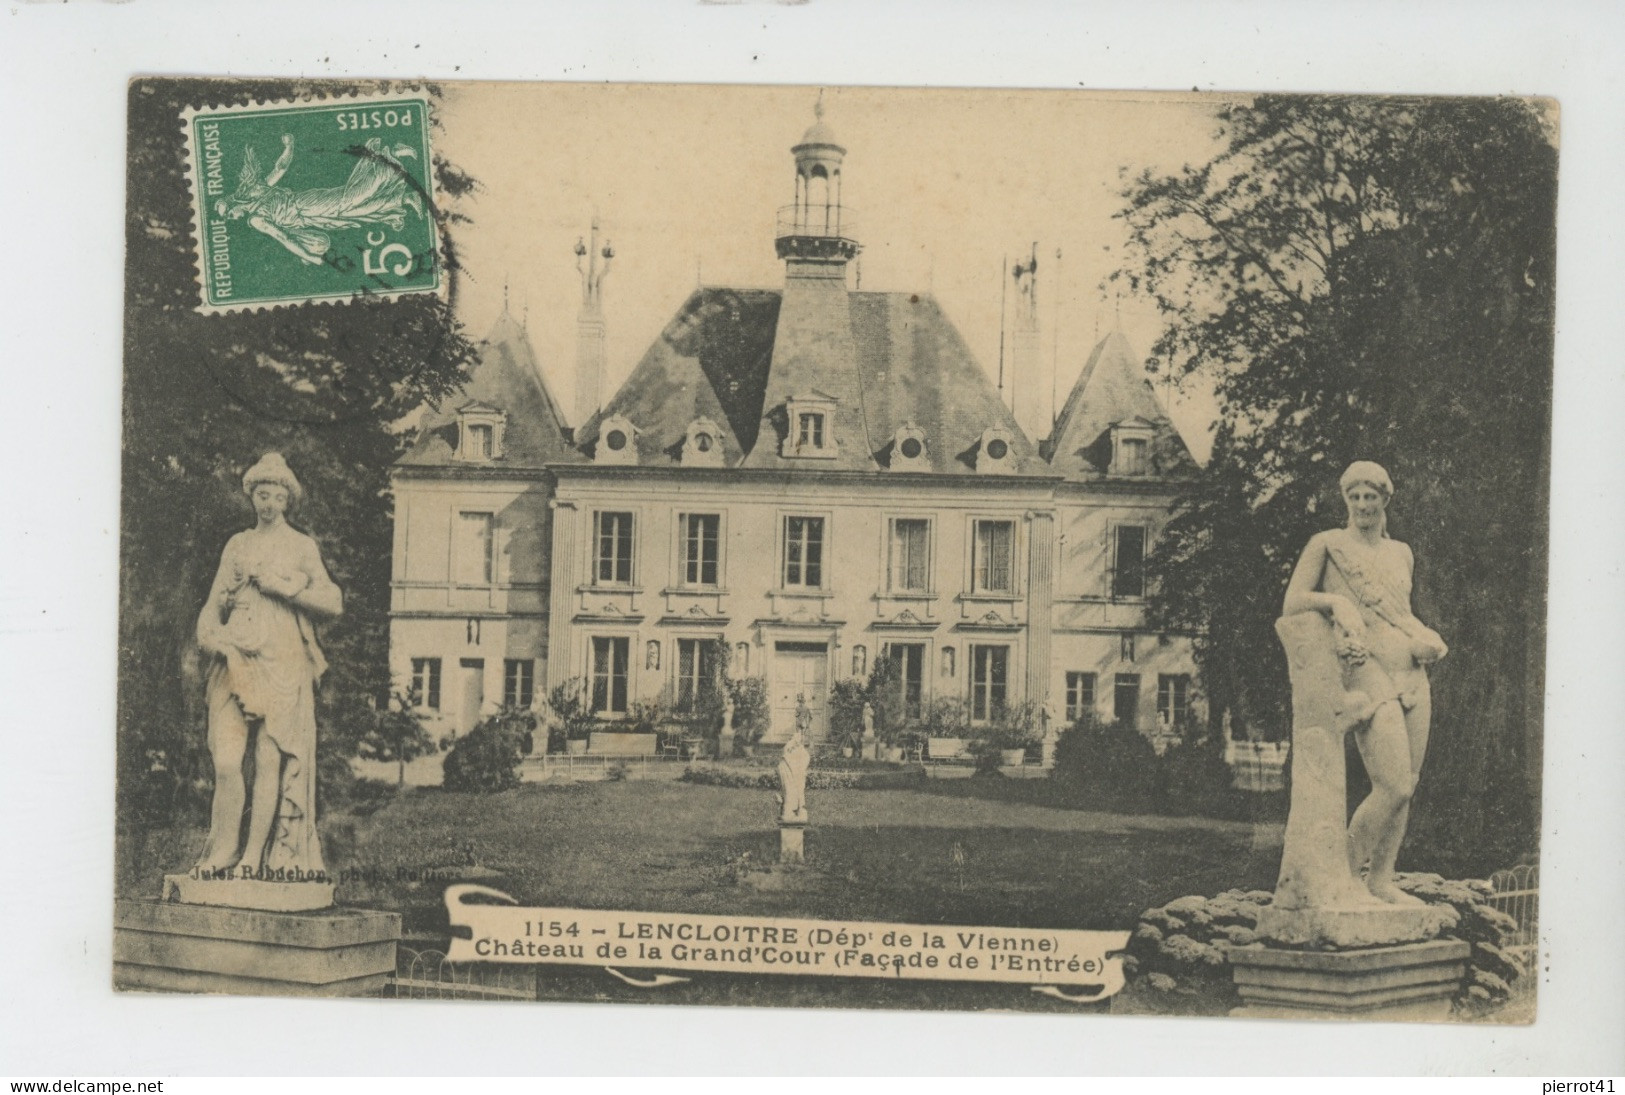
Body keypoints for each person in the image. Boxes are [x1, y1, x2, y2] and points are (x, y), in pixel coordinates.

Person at [1281, 461, 1448, 905]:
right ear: (1345, 500)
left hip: (1410, 669)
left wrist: (1426, 640)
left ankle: (1381, 881)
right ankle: (1345, 878)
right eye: (1354, 497)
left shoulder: (1402, 553)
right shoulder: (1329, 545)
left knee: (1407, 784)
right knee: (1391, 782)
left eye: (1370, 496)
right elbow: (1293, 602)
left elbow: (1402, 615)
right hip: (1363, 665)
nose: (1361, 505)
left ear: (1385, 500)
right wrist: (1335, 601)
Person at [194, 454, 343, 877]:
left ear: (287, 500)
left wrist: (285, 589)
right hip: (234, 656)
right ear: (252, 496)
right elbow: (210, 609)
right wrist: (213, 640)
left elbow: (333, 601)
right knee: (226, 762)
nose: (268, 502)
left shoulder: (300, 546)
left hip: (283, 660)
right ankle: (223, 849)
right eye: (262, 493)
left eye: (277, 494)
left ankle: (251, 858)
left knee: (268, 760)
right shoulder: (237, 545)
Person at [215, 134, 425, 266]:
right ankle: (405, 199)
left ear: (235, 203)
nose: (233, 218)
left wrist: (290, 146)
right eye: (229, 218)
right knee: (355, 212)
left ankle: (389, 155)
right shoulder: (254, 211)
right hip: (310, 219)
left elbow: (283, 237)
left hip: (305, 204)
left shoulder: (256, 211)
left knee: (351, 198)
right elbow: (287, 236)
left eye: (230, 213)